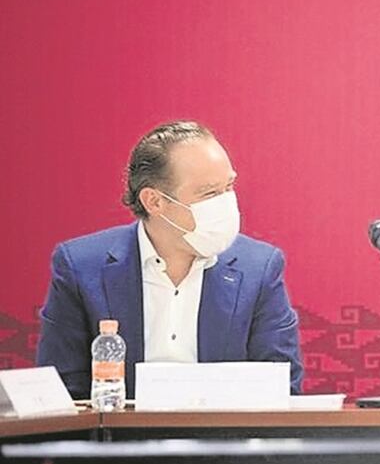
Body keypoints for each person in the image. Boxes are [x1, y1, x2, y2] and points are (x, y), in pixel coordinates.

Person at [36, 121, 303, 398]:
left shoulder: (259, 268)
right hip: (120, 426)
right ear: (154, 201)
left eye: (229, 186)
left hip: (223, 426)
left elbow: (282, 388)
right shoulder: (80, 267)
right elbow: (63, 393)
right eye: (209, 193)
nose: (226, 203)